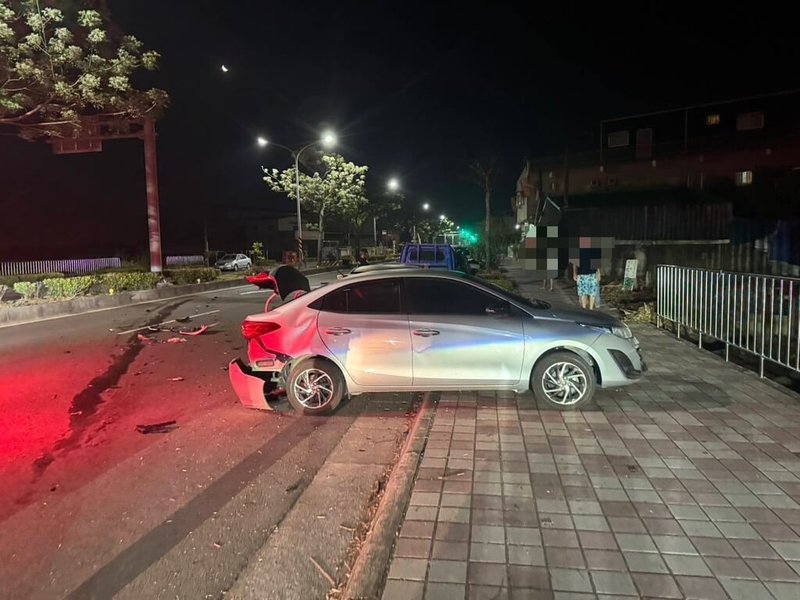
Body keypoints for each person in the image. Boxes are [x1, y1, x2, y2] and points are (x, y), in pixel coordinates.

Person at [573, 244, 601, 310]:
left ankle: (591, 309)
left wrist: (599, 273)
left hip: (593, 273)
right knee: (583, 293)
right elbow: (574, 262)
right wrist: (574, 273)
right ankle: (584, 309)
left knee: (592, 293)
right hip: (581, 273)